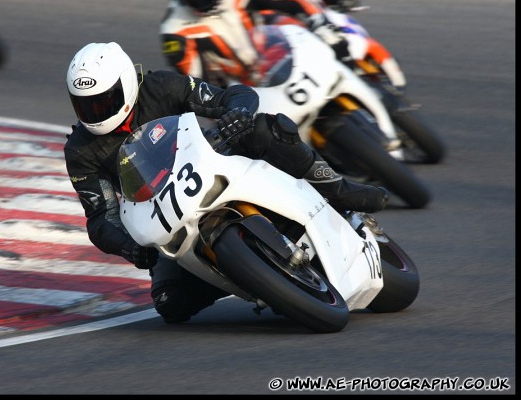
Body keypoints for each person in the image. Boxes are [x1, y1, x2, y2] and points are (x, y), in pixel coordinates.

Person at [63, 41, 389, 324]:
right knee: (170, 304)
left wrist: (237, 114)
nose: (96, 111)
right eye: (86, 104)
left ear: (127, 83)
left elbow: (234, 95)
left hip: (210, 157)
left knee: (265, 128)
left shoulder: (159, 86)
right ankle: (260, 281)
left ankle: (338, 190)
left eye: (104, 100)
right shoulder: (80, 151)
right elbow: (100, 217)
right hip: (163, 210)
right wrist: (129, 247)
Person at [160, 0, 405, 90]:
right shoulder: (175, 32)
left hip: (281, 48)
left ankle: (378, 76)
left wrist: (323, 27)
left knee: (319, 15)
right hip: (253, 86)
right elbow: (195, 85)